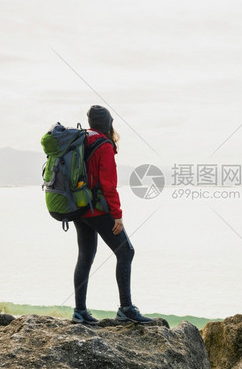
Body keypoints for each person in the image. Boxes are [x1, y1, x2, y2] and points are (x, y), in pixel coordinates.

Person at [71, 105, 152, 325]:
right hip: (98, 210)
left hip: (79, 209)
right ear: (107, 123)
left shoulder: (81, 139)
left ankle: (79, 311)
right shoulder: (104, 145)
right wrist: (117, 215)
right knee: (126, 252)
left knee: (85, 257)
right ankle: (126, 308)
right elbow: (108, 185)